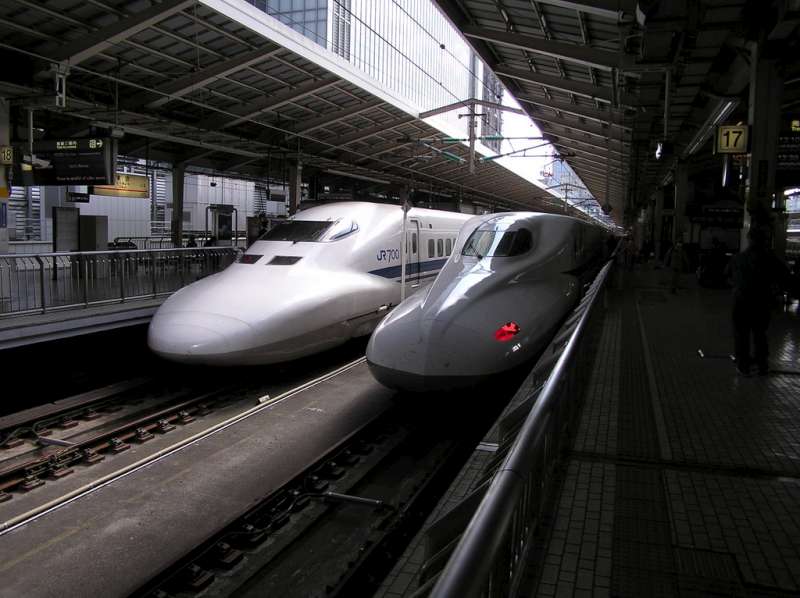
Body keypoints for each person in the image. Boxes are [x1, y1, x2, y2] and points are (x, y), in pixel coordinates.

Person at [725, 226, 791, 376]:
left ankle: (743, 366)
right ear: (765, 241)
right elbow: (786, 277)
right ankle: (762, 365)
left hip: (741, 303)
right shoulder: (770, 259)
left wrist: (737, 286)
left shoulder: (738, 258)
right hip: (761, 303)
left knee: (741, 335)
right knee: (760, 334)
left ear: (748, 239)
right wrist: (775, 291)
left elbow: (727, 277)